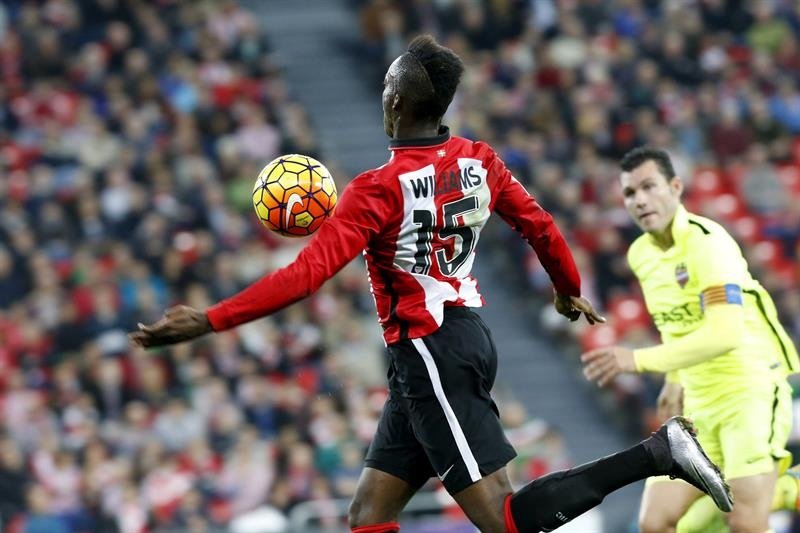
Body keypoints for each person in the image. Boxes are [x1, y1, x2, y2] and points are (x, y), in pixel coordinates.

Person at [130, 36, 732, 533]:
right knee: (369, 515)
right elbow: (540, 225)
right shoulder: (479, 160)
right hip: (450, 343)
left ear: (393, 102)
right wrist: (566, 286)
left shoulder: (377, 189)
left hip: (431, 352)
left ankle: (657, 453)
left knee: (506, 523)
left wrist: (210, 319)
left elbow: (306, 275)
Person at [581, 146, 800, 533]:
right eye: (631, 193)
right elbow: (676, 322)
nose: (640, 199)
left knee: (745, 521)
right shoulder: (640, 255)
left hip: (748, 391)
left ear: (676, 187)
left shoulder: (708, 243)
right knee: (654, 521)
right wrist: (675, 378)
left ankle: (787, 488)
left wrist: (639, 360)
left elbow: (726, 333)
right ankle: (782, 488)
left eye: (649, 186)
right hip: (699, 404)